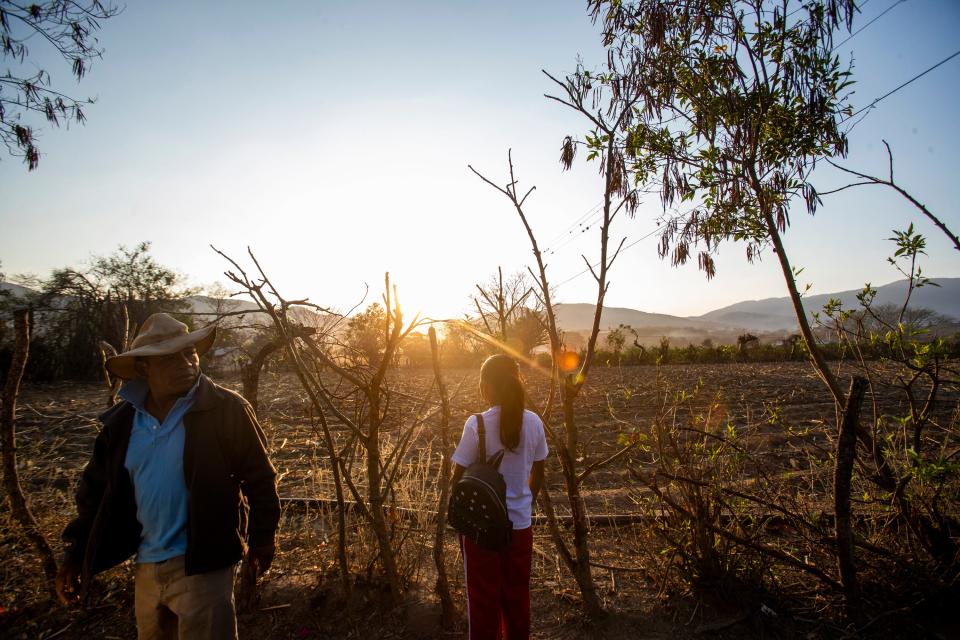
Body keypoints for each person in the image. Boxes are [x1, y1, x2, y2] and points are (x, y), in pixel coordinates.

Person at [55, 313, 281, 640]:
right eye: (171, 357)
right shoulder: (121, 424)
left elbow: (260, 479)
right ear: (144, 368)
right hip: (146, 565)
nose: (187, 363)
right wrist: (76, 553)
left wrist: (263, 540)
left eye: (190, 353)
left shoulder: (225, 409)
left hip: (205, 565)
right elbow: (95, 493)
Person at [451, 354, 548, 640]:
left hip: (482, 531)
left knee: (482, 604)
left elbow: (458, 478)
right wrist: (522, 503)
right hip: (520, 528)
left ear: (486, 386)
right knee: (517, 600)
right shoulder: (534, 423)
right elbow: (538, 473)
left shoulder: (476, 424)